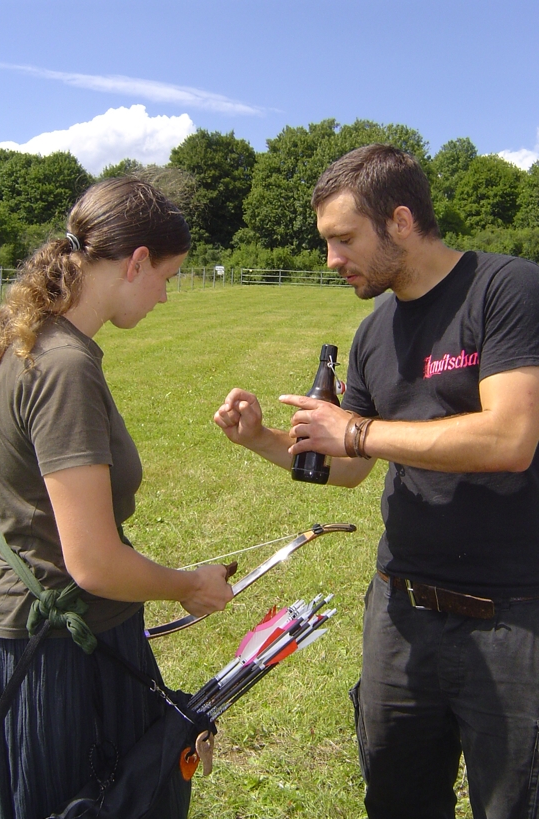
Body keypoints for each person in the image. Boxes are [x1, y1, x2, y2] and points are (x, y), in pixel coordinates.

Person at [214, 144, 539, 819]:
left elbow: (510, 437)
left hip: (513, 616)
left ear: (400, 220)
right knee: (396, 797)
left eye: (343, 239)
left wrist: (358, 430)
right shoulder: (374, 331)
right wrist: (264, 440)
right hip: (401, 611)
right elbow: (350, 467)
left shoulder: (506, 289)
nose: (332, 259)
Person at [0, 177, 234, 819]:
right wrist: (189, 585)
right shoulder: (62, 366)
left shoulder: (33, 342)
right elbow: (94, 563)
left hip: (52, 639)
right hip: (63, 655)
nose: (165, 295)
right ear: (136, 262)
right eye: (167, 277)